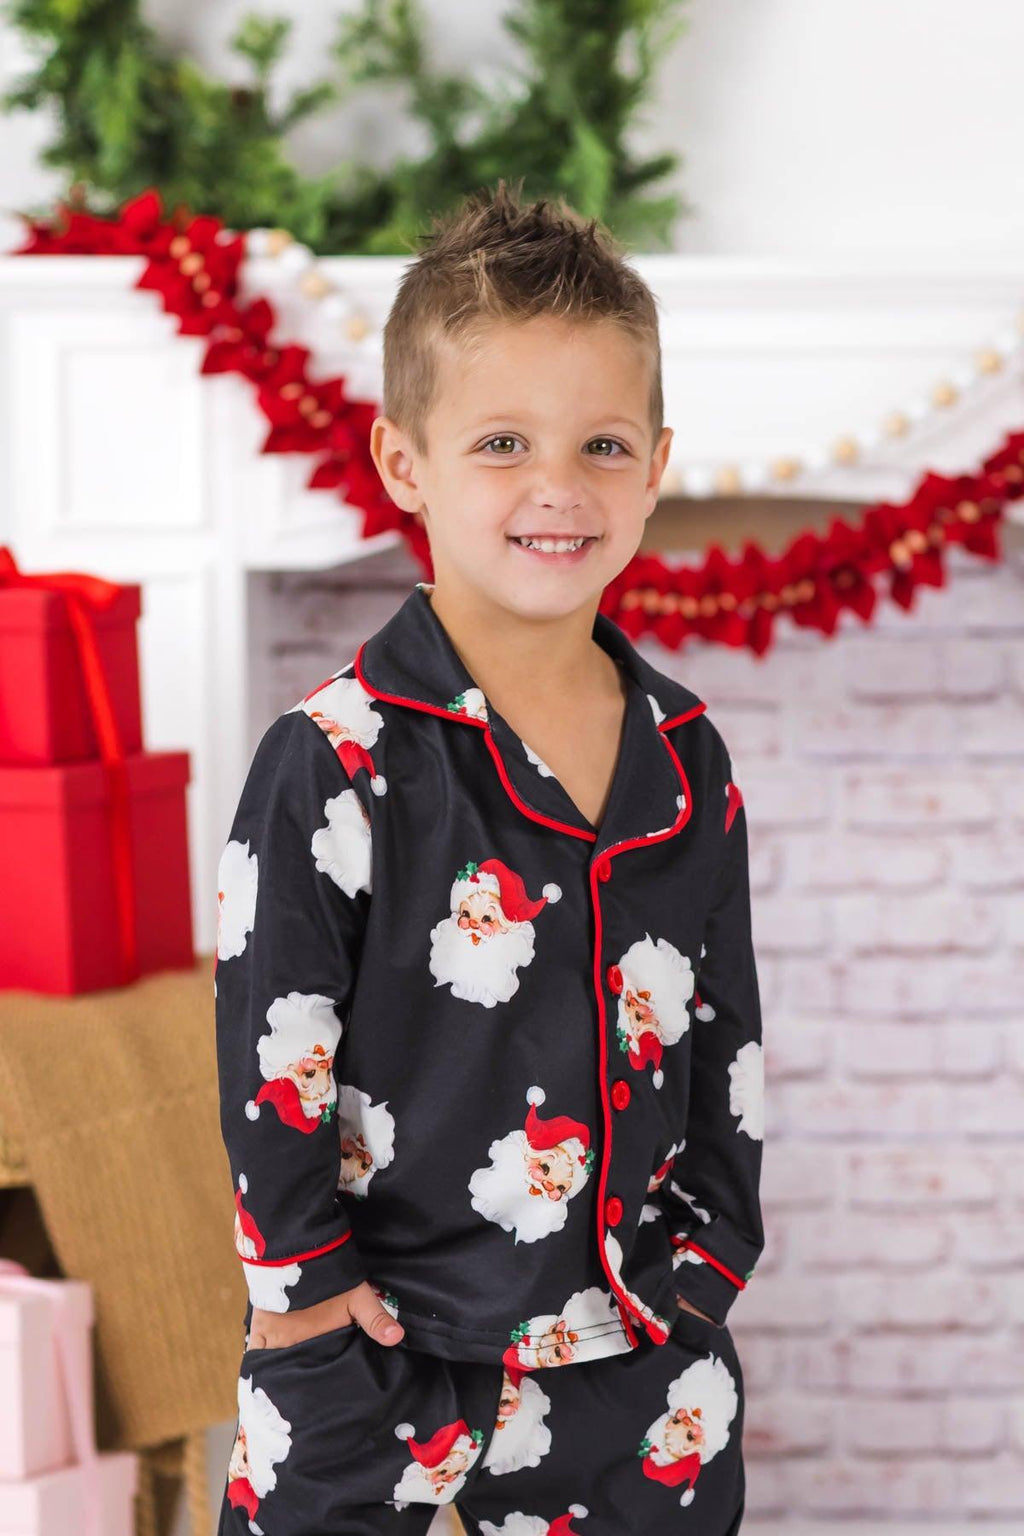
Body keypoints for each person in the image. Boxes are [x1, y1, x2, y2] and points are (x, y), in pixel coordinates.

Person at [215, 177, 764, 1536]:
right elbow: (274, 1041)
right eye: (503, 442)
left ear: (656, 465)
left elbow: (724, 1028)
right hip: (373, 1335)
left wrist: (713, 1257)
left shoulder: (685, 757)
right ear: (405, 463)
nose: (557, 488)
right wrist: (302, 1290)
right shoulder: (334, 758)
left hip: (636, 1335)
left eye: (602, 446)